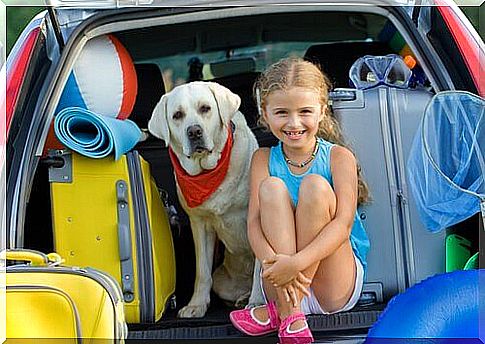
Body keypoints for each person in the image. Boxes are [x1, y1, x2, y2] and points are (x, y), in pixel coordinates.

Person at [229, 57, 370, 344]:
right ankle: (291, 315)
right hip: (279, 281)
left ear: (322, 110)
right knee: (271, 189)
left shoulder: (339, 157)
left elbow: (342, 226)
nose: (294, 123)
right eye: (281, 112)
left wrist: (295, 264)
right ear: (264, 115)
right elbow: (254, 224)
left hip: (333, 286)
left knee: (315, 187)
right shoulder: (263, 159)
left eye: (305, 111)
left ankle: (283, 312)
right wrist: (278, 264)